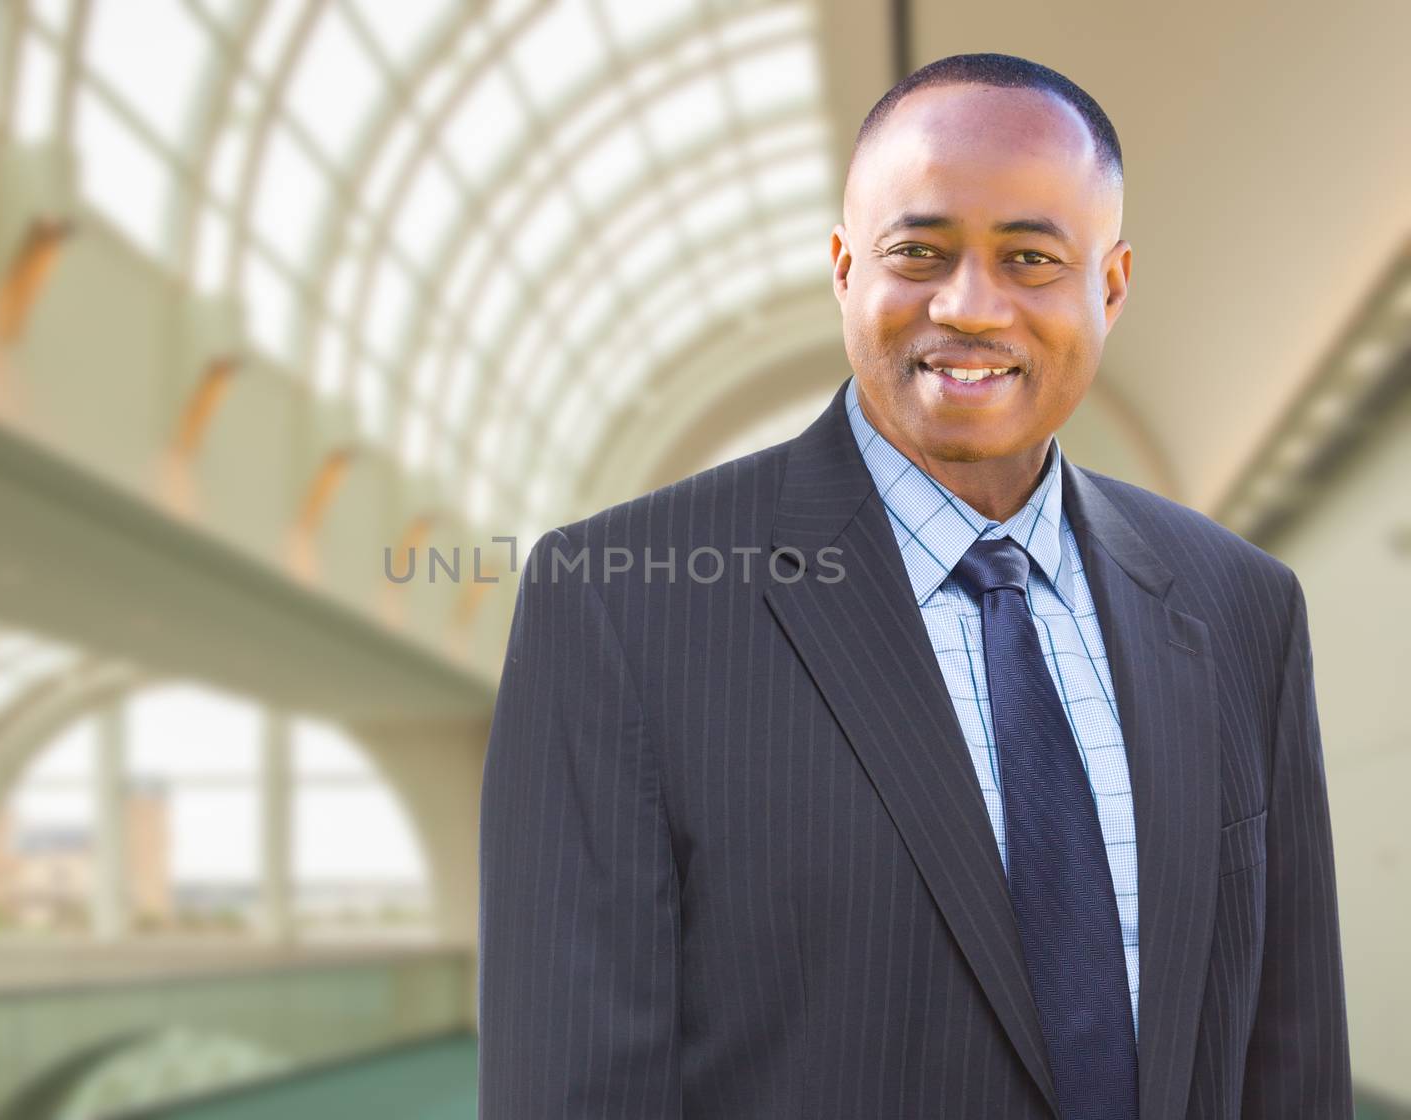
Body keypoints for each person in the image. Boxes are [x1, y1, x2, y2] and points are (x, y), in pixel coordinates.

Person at [477, 52, 1350, 1119]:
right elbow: (569, 1089)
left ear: (1109, 284)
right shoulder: (614, 606)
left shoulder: (1240, 608)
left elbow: (1287, 1054)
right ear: (846, 268)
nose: (970, 305)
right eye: (918, 251)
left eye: (1030, 257)